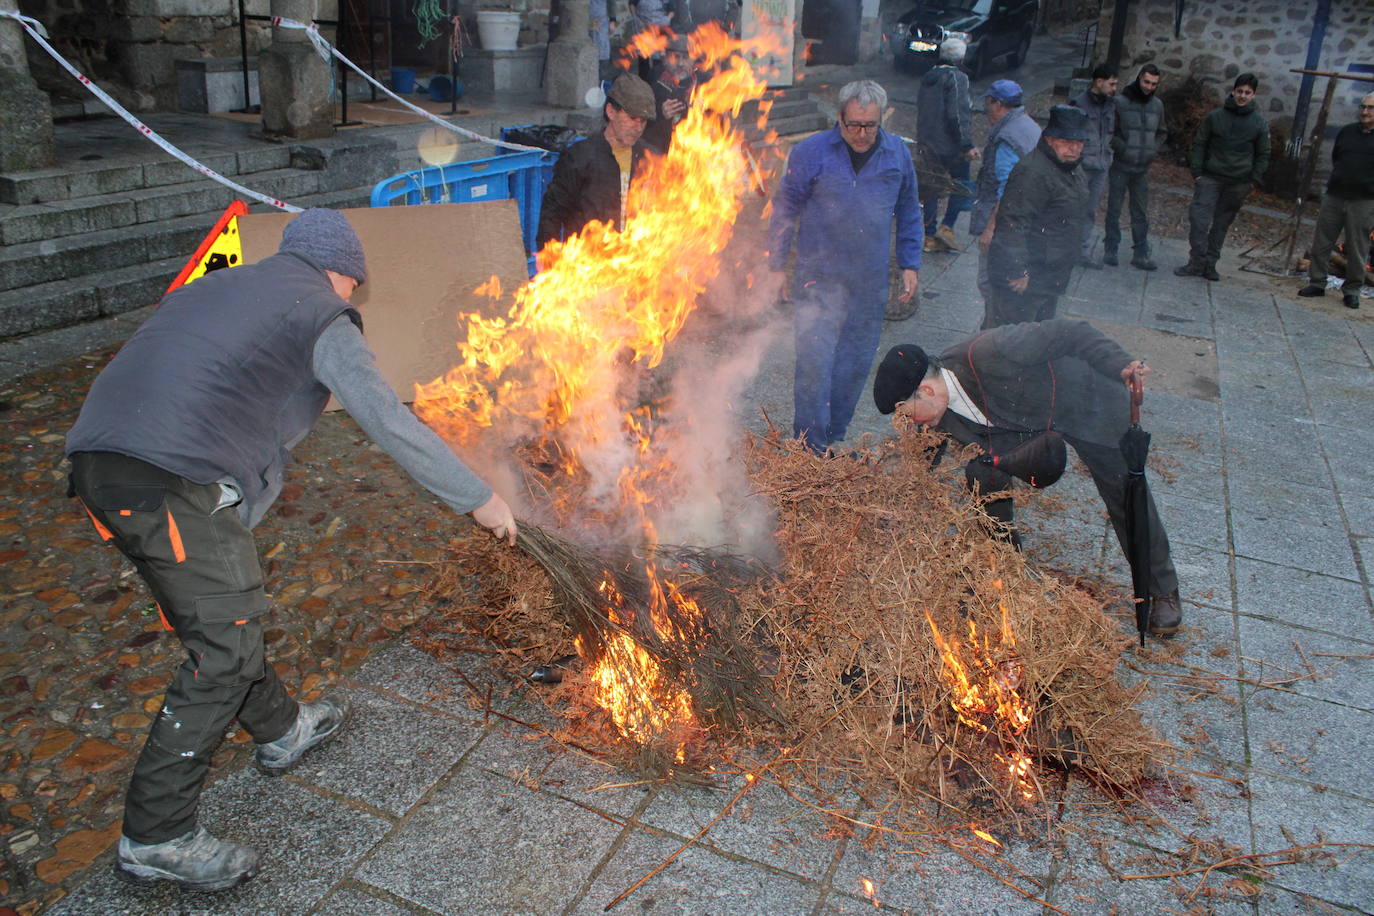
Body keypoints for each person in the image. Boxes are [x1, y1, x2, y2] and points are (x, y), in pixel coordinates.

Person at [64, 209, 518, 892]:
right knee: (225, 642)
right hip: (164, 475)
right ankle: (156, 836)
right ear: (342, 274)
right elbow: (387, 417)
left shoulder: (223, 287)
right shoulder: (318, 314)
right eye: (353, 286)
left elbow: (204, 383)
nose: (351, 297)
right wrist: (478, 497)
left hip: (107, 457)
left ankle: (282, 729)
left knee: (226, 614)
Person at [872, 319, 1181, 637]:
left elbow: (1071, 332)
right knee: (982, 472)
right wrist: (893, 506)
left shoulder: (992, 351)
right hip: (1022, 428)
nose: (912, 423)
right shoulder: (935, 412)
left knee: (1125, 493)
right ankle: (1006, 567)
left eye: (909, 414)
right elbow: (920, 460)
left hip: (1083, 403)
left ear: (926, 390)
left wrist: (1120, 365)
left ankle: (1162, 590)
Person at [767, 79, 922, 454]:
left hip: (867, 283)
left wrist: (909, 262)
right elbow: (784, 209)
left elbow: (909, 208)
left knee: (853, 365)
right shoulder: (811, 152)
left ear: (881, 119)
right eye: (854, 124)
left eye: (870, 125)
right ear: (839, 118)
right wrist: (776, 265)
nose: (862, 133)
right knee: (815, 363)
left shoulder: (897, 154)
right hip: (817, 278)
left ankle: (834, 436)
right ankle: (809, 446)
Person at [982, 105, 1090, 329]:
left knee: (1037, 334)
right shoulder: (1032, 171)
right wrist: (1017, 270)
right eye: (1067, 142)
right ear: (1050, 140)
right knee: (1007, 336)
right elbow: (1013, 223)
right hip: (1024, 276)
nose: (1074, 148)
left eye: (1079, 143)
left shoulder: (1071, 167)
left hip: (1049, 273)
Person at [536, 73, 661, 249]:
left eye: (644, 121)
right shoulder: (580, 157)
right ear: (611, 111)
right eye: (632, 119)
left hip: (636, 263)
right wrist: (550, 257)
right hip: (590, 262)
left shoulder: (651, 158)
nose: (638, 128)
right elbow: (553, 213)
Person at [1175, 73, 1269, 281]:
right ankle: (1196, 261)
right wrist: (1197, 173)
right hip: (1210, 177)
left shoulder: (1259, 123)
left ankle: (1210, 264)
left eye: (1248, 93)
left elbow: (1263, 154)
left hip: (1238, 182)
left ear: (1254, 95)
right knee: (1199, 219)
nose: (1243, 96)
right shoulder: (1215, 117)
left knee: (1221, 224)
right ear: (1233, 91)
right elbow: (1200, 143)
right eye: (1240, 91)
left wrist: (1252, 180)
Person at [1297, 92, 1374, 310]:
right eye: (1363, 106)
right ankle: (1317, 282)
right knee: (1322, 240)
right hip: (1336, 195)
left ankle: (1352, 290)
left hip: (1364, 200)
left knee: (1358, 246)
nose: (1365, 111)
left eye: (1370, 108)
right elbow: (1337, 157)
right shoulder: (1348, 132)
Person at [968, 79, 1041, 301]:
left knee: (989, 282)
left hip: (1007, 224)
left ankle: (994, 329)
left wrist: (990, 228)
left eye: (988, 102)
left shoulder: (1007, 137)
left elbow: (1006, 189)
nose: (985, 107)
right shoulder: (1026, 125)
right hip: (1028, 218)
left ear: (998, 104)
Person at [916, 37, 977, 252]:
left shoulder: (928, 76)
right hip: (949, 145)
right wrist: (966, 144)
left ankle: (929, 237)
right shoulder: (957, 77)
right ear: (960, 57)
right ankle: (947, 227)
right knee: (962, 184)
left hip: (927, 142)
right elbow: (957, 114)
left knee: (932, 188)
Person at [1104, 64, 1167, 270]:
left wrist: (1152, 150)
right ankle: (1110, 248)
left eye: (1154, 84)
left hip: (1142, 168)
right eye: (1146, 82)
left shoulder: (1158, 105)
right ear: (1139, 79)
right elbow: (1110, 131)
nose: (1149, 87)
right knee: (1114, 208)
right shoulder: (1120, 102)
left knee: (1140, 212)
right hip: (1121, 166)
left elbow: (1162, 132)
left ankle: (1141, 252)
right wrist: (1123, 148)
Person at [1071, 64, 1118, 267]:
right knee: (1072, 208)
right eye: (1112, 83)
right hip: (1082, 165)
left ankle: (1081, 252)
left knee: (1090, 210)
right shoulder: (1079, 103)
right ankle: (1064, 250)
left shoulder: (1111, 104)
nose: (1115, 88)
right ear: (1099, 82)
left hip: (1101, 165)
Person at [642, 34, 697, 152]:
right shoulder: (655, 80)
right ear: (666, 59)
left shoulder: (703, 82)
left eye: (686, 57)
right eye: (676, 57)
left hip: (694, 149)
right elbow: (642, 124)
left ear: (693, 60)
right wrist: (661, 115)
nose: (680, 63)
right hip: (662, 150)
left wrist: (702, 111)